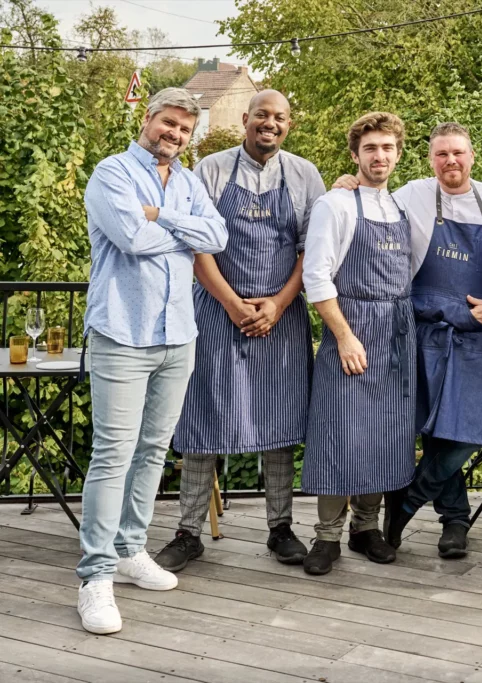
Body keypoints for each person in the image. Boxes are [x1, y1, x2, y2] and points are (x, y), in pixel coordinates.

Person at [77, 88, 228, 634]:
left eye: (184, 129)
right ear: (148, 120)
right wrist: (180, 232)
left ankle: (129, 549)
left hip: (177, 335)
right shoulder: (111, 173)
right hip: (123, 333)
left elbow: (219, 235)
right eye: (168, 124)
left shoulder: (188, 182)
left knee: (153, 450)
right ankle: (94, 578)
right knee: (112, 454)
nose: (175, 135)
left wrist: (161, 214)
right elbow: (133, 240)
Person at [154, 91, 323, 573]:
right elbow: (194, 244)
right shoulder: (210, 168)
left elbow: (309, 251)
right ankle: (188, 532)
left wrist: (278, 303)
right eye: (262, 116)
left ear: (289, 125)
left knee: (279, 424)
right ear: (245, 120)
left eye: (280, 118)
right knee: (204, 416)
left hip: (281, 314)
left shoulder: (305, 174)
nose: (270, 124)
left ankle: (281, 528)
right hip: (215, 310)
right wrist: (231, 304)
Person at [333, 122, 482, 558]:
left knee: (474, 426)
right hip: (422, 328)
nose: (451, 161)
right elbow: (369, 204)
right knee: (434, 429)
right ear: (431, 159)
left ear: (472, 156)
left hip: (475, 330)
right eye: (441, 154)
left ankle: (408, 497)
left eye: (458, 153)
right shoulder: (411, 193)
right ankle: (454, 523)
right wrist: (347, 182)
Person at [301, 112, 416, 575]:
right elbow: (316, 274)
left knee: (386, 434)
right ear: (355, 154)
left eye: (387, 147)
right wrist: (345, 336)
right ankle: (327, 535)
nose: (380, 156)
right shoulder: (337, 204)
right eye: (370, 148)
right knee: (340, 432)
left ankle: (366, 528)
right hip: (353, 326)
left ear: (398, 153)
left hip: (396, 333)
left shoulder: (403, 206)